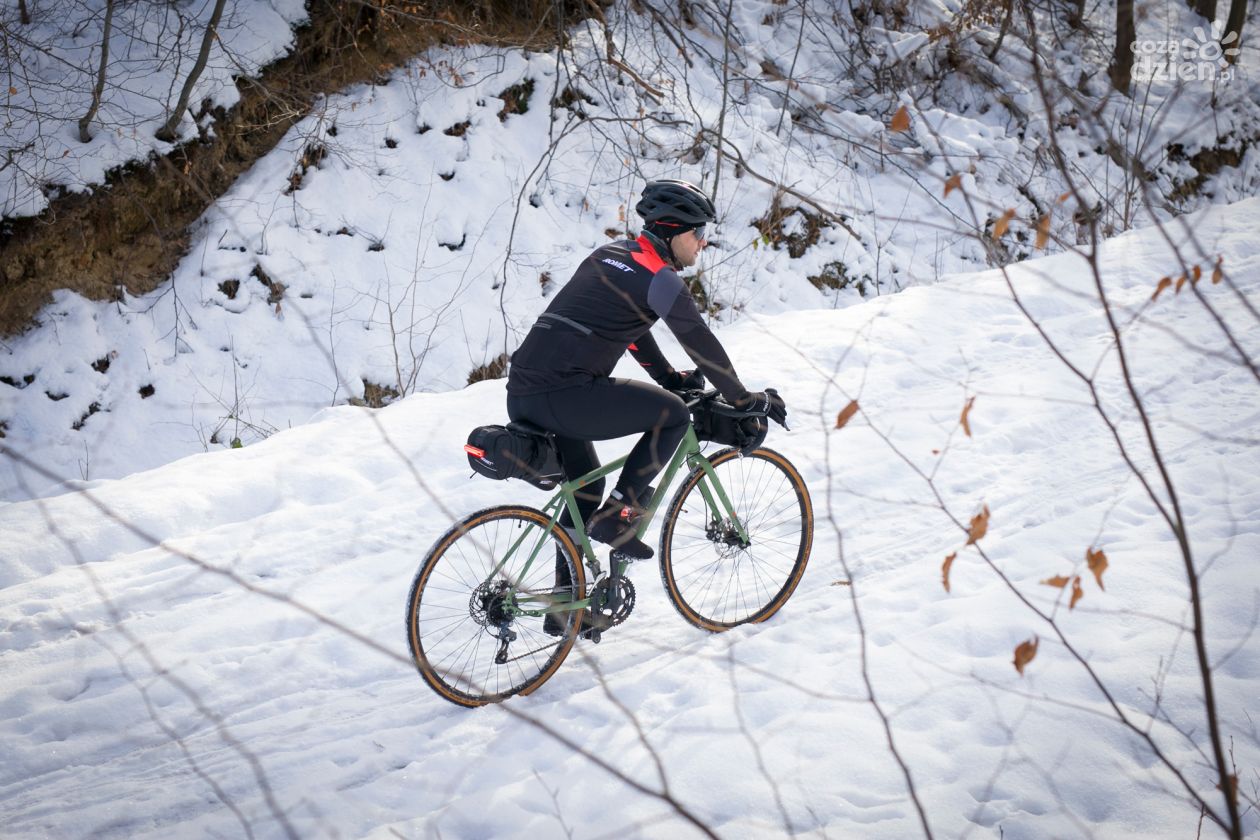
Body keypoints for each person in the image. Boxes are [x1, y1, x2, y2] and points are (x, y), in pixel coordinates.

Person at [505, 179, 787, 630]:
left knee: (584, 492)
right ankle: (621, 514)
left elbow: (630, 328)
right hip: (568, 393)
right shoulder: (660, 277)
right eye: (698, 233)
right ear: (674, 233)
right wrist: (742, 397)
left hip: (522, 392)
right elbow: (699, 342)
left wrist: (668, 377)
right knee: (673, 415)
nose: (703, 242)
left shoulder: (607, 256)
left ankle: (566, 608)